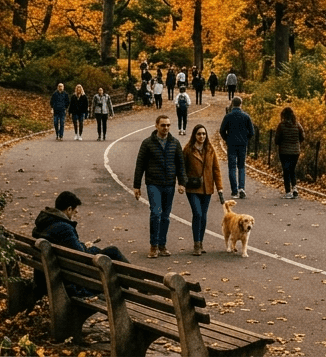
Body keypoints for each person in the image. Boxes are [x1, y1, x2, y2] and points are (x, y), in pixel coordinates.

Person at [33, 191, 129, 296]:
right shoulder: (64, 228)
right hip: (70, 282)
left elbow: (70, 247)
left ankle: (132, 284)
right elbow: (81, 257)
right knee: (113, 251)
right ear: (69, 209)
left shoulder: (43, 224)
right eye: (75, 212)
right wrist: (90, 249)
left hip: (48, 278)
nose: (74, 215)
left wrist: (83, 246)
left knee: (105, 252)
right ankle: (138, 283)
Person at [133, 115, 184, 257]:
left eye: (168, 125)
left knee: (166, 216)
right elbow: (140, 165)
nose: (166, 128)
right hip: (153, 183)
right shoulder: (147, 143)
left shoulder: (175, 143)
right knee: (156, 213)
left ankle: (162, 245)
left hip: (169, 184)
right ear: (156, 126)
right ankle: (153, 245)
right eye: (163, 125)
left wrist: (182, 183)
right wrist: (137, 186)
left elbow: (180, 164)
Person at [180, 123, 224, 256]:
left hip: (207, 188)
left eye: (204, 134)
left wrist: (220, 188)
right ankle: (196, 244)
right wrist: (182, 183)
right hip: (193, 188)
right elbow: (182, 168)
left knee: (203, 216)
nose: (202, 136)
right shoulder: (188, 150)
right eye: (199, 134)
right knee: (197, 214)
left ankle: (201, 242)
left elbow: (216, 169)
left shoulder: (210, 149)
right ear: (194, 135)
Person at [218, 97, 255, 199]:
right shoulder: (246, 116)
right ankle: (241, 188)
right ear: (240, 104)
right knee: (241, 166)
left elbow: (222, 130)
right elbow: (252, 132)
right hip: (242, 144)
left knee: (232, 167)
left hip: (231, 144)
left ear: (232, 104)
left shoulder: (228, 116)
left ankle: (234, 191)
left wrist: (226, 139)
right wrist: (246, 139)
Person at [274, 106, 305, 198]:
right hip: (295, 151)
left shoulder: (281, 125)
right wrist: (297, 142)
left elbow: (277, 139)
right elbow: (302, 136)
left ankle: (288, 191)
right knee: (292, 169)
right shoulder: (297, 125)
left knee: (286, 170)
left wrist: (281, 142)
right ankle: (295, 188)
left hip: (284, 151)